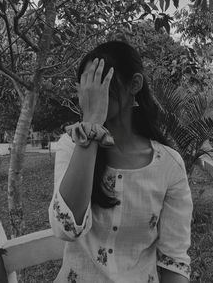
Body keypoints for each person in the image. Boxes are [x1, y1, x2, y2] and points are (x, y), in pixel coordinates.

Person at [48, 41, 193, 283]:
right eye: (87, 86)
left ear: (134, 84)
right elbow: (66, 229)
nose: (92, 94)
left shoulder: (169, 164)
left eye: (101, 82)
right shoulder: (72, 145)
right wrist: (92, 123)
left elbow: (174, 259)